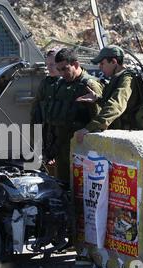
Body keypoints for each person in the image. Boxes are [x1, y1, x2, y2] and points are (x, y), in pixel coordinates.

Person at [49, 48, 103, 181]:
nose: (62, 73)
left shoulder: (89, 85)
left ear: (76, 65)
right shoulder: (61, 84)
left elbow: (100, 121)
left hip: (82, 150)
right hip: (61, 148)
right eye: (59, 69)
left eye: (65, 69)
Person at [74, 45, 139, 143]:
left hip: (133, 135)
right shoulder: (116, 77)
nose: (99, 67)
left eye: (102, 63)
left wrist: (91, 127)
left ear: (114, 62)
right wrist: (98, 99)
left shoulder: (127, 78)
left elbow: (117, 104)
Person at [30, 47, 62, 177]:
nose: (48, 68)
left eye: (52, 64)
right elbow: (36, 108)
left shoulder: (69, 83)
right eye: (47, 64)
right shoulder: (46, 83)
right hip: (47, 133)